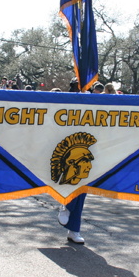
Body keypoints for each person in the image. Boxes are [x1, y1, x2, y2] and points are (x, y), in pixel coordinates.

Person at [56, 79, 88, 244]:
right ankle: (66, 205)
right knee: (70, 182)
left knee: (82, 189)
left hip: (88, 146)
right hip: (67, 147)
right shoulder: (65, 99)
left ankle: (74, 230)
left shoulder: (94, 100)